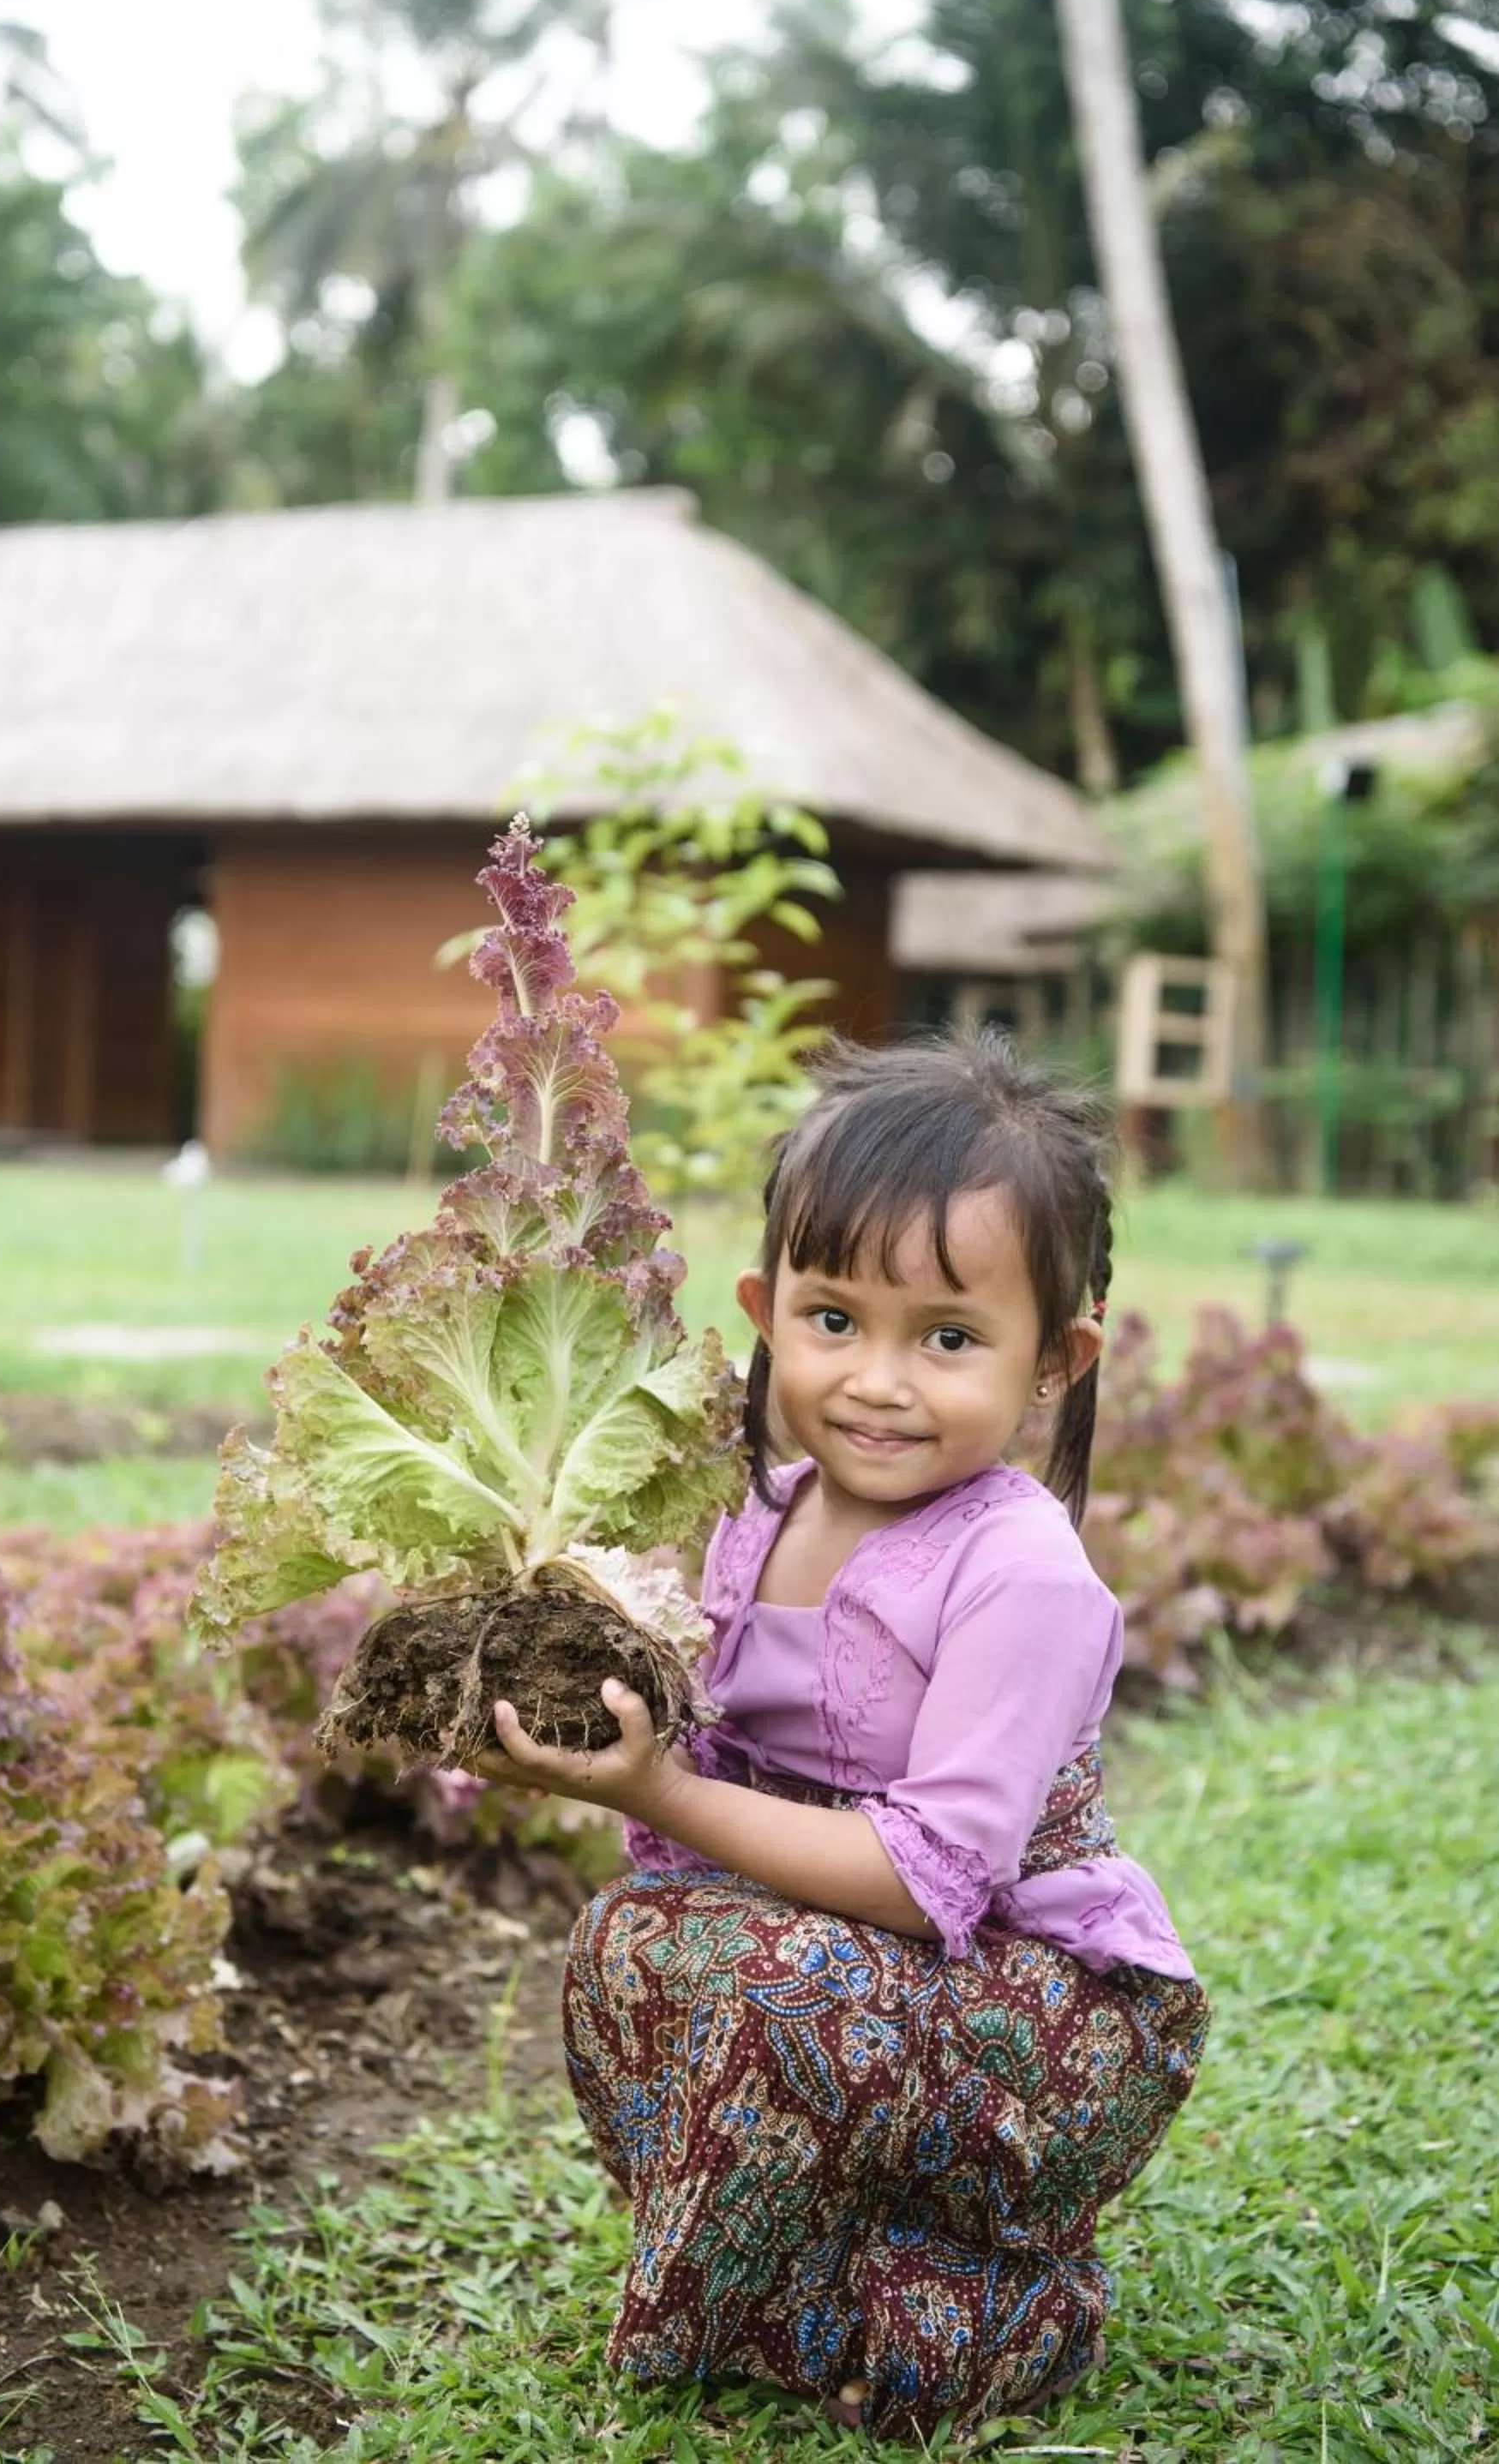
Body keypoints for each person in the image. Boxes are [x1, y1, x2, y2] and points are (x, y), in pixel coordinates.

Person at [477, 1032, 1210, 2441]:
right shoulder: (759, 1512)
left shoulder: (1019, 1573)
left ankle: (999, 2290)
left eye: (948, 1337)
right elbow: (707, 1768)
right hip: (848, 1965)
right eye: (832, 1319)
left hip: (1039, 2005)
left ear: (1053, 1362)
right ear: (765, 1310)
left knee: (786, 1986)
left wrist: (657, 1790)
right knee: (627, 1942)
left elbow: (928, 1882)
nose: (877, 1379)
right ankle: (808, 2285)